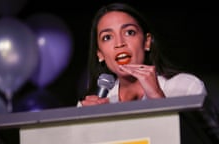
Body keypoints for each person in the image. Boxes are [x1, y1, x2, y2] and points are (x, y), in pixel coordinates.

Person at [77, 2, 207, 107]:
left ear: (147, 42)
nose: (120, 43)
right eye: (107, 37)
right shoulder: (91, 105)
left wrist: (157, 98)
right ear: (100, 54)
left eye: (129, 32)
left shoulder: (185, 87)